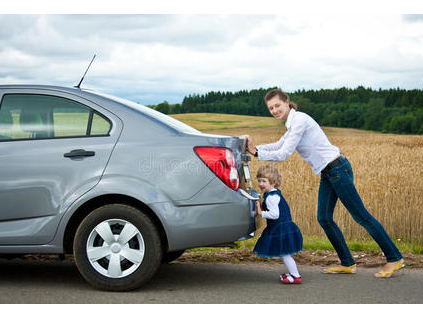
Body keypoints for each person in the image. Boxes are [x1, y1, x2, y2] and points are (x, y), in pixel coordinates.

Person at [246, 88, 404, 278]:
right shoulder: (292, 124)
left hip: (338, 170)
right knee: (324, 218)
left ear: (287, 102)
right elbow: (279, 144)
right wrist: (253, 149)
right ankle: (347, 262)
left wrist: (256, 152)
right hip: (329, 173)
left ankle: (394, 258)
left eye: (277, 105)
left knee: (361, 216)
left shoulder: (300, 121)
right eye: (271, 108)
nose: (274, 110)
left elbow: (283, 153)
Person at [253, 165, 303, 284]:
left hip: (281, 228)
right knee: (284, 253)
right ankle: (293, 273)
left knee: (285, 254)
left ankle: (296, 276)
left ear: (273, 182)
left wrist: (261, 212)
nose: (260, 183)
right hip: (282, 227)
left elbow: (275, 215)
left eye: (264, 181)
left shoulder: (272, 197)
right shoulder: (272, 193)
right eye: (259, 180)